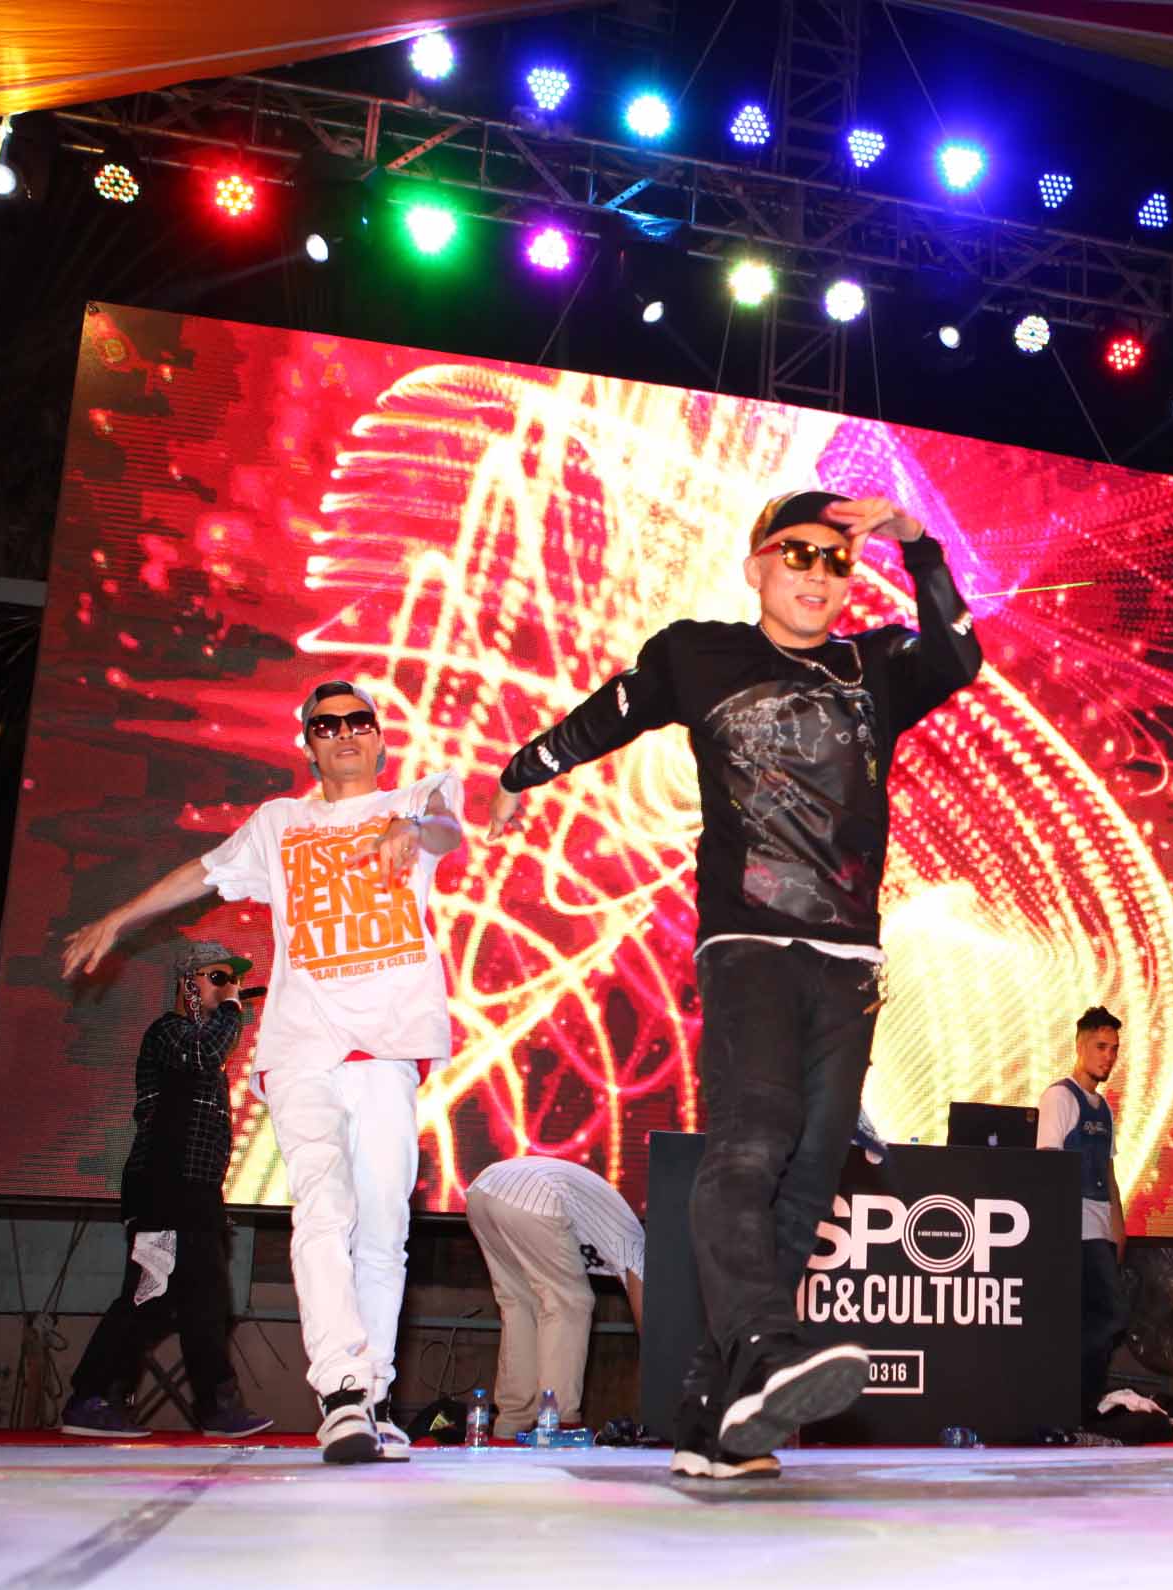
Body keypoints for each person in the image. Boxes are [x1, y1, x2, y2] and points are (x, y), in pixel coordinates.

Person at [489, 490, 981, 1478]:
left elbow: (959, 653)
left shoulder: (875, 667)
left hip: (850, 961)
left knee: (808, 1180)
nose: (818, 572)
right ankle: (768, 1351)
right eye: (797, 553)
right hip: (749, 944)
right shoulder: (699, 653)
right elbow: (609, 714)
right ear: (757, 566)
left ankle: (714, 1419)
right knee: (751, 1143)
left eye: (836, 559)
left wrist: (918, 543)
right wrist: (521, 771)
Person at [63, 678, 466, 1466]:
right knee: (323, 1207)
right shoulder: (280, 823)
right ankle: (341, 1393)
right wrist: (120, 915)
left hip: (387, 1049)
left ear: (380, 737)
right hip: (301, 1047)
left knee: (384, 1229)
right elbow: (202, 873)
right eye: (326, 725)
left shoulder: (418, 795)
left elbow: (447, 829)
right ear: (308, 744)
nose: (343, 733)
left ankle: (375, 1398)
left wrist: (409, 827)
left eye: (357, 721)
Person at [59, 939, 272, 1440]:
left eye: (233, 980)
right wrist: (232, 1010)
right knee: (150, 1293)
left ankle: (216, 1408)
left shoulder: (202, 1049)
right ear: (187, 985)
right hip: (163, 1190)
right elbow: (204, 1051)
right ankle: (92, 1398)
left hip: (195, 1195)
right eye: (217, 978)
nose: (229, 988)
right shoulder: (169, 1032)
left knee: (207, 1302)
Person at [463, 1157, 646, 1438]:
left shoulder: (610, 1228)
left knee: (519, 1303)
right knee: (570, 1302)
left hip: (482, 1192)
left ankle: (513, 1420)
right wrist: (661, 1364)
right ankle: (557, 1420)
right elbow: (646, 1313)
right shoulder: (636, 1240)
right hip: (535, 1196)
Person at [1038, 1006, 1133, 1419]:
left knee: (1099, 1317)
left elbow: (1108, 1173)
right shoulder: (1059, 1097)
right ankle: (1074, 1404)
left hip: (1099, 1226)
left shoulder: (1104, 1108)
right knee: (1108, 1314)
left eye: (1113, 1049)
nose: (1108, 1056)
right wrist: (1056, 1232)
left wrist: (1118, 1226)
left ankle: (1081, 1406)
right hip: (1071, 1228)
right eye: (1100, 1046)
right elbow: (1048, 1166)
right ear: (1080, 1046)